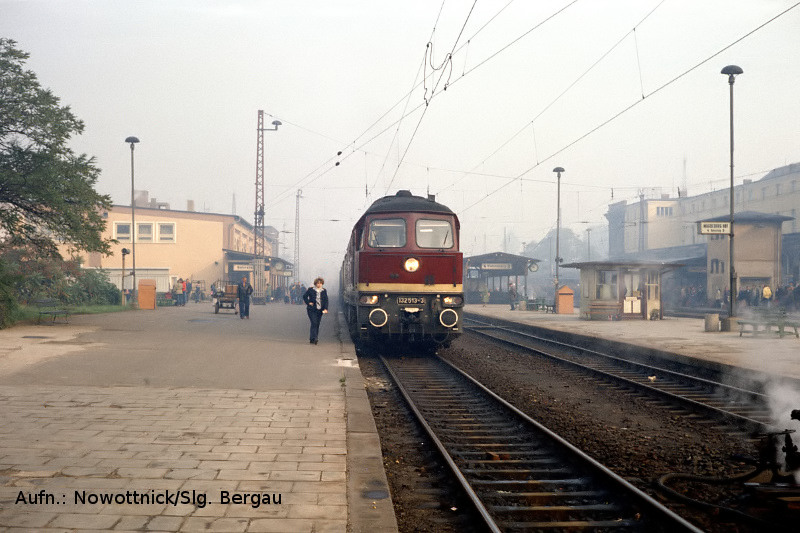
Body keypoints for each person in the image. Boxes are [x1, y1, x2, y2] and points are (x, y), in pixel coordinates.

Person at [302, 277, 328, 344]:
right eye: (317, 283)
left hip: (320, 310)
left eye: (320, 283)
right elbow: (304, 296)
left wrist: (325, 308)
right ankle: (315, 338)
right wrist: (308, 303)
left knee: (317, 324)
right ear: (315, 284)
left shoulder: (324, 291)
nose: (319, 284)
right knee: (314, 322)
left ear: (322, 284)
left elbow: (326, 300)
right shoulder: (311, 290)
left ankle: (312, 338)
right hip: (312, 310)